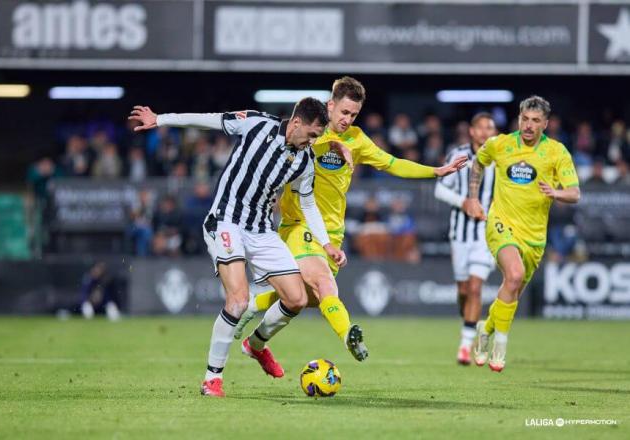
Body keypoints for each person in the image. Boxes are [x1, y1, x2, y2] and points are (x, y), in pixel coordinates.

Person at [234, 77, 467, 362]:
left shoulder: (357, 139)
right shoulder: (311, 130)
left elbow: (392, 163)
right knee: (322, 283)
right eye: (344, 112)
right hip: (299, 225)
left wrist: (436, 171)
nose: (347, 119)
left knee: (306, 298)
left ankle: (254, 334)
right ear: (330, 105)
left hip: (333, 233)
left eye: (353, 114)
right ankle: (348, 335)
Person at [129, 98, 346, 398]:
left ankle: (255, 345)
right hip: (226, 221)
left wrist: (326, 243)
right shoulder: (256, 123)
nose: (313, 141)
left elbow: (307, 202)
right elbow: (209, 118)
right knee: (239, 300)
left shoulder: (304, 161)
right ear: (296, 123)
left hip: (261, 230)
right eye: (311, 134)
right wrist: (162, 118)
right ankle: (211, 379)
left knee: (296, 299)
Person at [464, 96, 580, 372]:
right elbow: (477, 164)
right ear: (518, 119)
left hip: (534, 238)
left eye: (535, 121)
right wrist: (473, 198)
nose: (529, 125)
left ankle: (485, 328)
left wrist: (556, 193)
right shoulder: (500, 144)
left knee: (512, 289)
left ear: (546, 124)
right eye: (525, 119)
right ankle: (500, 347)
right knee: (513, 276)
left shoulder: (556, 152)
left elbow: (575, 193)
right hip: (501, 224)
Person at [434, 112, 497, 366]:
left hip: (487, 234)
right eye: (480, 128)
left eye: (489, 128)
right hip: (460, 234)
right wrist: (465, 202)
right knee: (463, 291)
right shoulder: (457, 155)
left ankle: (465, 345)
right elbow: (440, 188)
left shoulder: (500, 157)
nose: (485, 132)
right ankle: (470, 324)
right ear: (471, 131)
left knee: (475, 287)